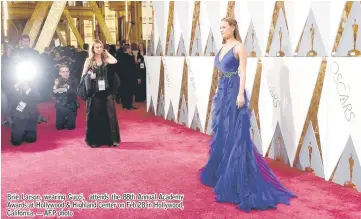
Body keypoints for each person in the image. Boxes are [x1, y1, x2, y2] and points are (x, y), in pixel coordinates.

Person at [199, 17, 296, 212]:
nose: (221, 31)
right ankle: (222, 173)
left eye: (224, 28)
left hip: (235, 91)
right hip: (223, 92)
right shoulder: (223, 47)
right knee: (222, 133)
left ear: (233, 27)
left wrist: (241, 94)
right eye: (220, 28)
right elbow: (220, 73)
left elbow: (243, 72)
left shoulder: (239, 47)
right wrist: (218, 91)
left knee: (236, 135)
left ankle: (237, 177)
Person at [80, 39, 120, 147]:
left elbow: (115, 61)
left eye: (100, 47)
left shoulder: (105, 58)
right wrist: (89, 76)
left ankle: (111, 140)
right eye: (96, 47)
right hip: (94, 92)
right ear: (92, 49)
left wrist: (107, 53)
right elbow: (83, 76)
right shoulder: (89, 60)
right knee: (96, 116)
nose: (99, 49)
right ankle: (95, 140)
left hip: (106, 91)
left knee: (110, 115)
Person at [8, 70, 40, 146]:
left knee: (31, 139)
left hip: (30, 119)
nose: (24, 83)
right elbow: (10, 98)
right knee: (16, 142)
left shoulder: (34, 91)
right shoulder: (16, 90)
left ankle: (25, 132)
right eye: (23, 82)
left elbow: (37, 97)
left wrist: (29, 88)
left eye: (26, 82)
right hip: (18, 119)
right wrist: (16, 87)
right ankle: (18, 132)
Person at [53, 65, 79, 130]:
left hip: (71, 106)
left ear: (69, 72)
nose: (65, 73)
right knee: (59, 127)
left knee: (71, 127)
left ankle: (69, 119)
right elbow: (54, 93)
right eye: (63, 72)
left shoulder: (74, 80)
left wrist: (67, 87)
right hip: (60, 105)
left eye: (67, 71)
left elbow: (75, 92)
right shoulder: (56, 80)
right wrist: (55, 86)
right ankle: (63, 120)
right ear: (60, 73)